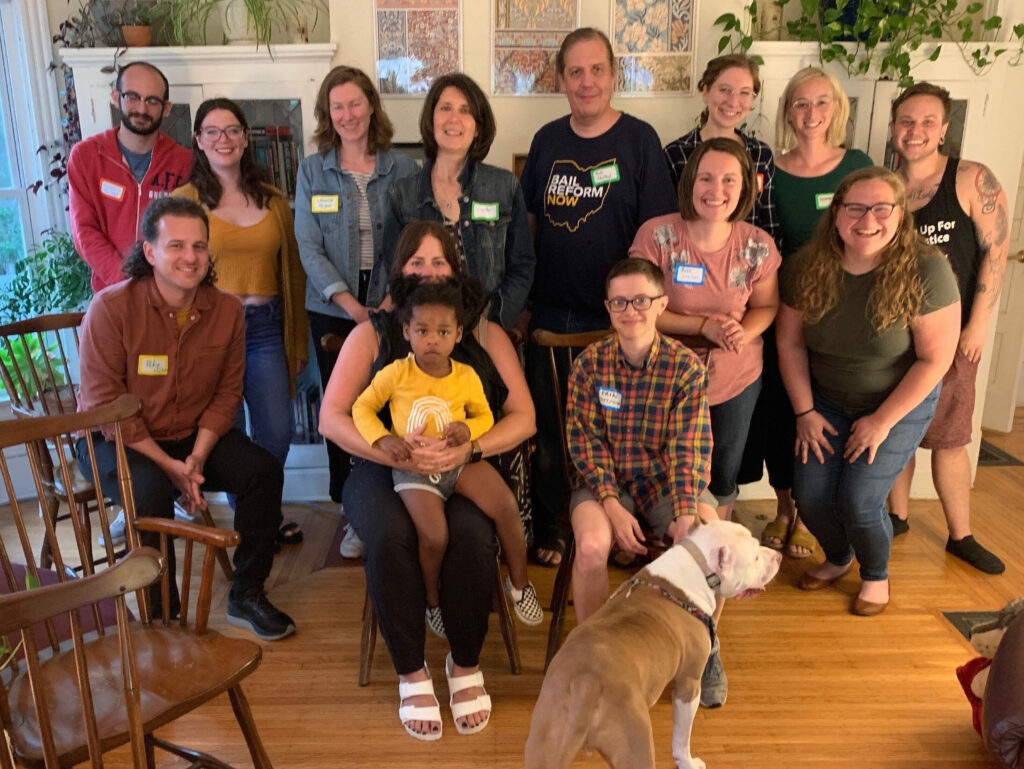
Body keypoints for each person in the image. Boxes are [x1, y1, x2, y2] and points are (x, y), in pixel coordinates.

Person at [318, 221, 536, 740]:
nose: (428, 272)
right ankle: (410, 669)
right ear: (399, 272)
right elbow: (332, 417)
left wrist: (471, 446)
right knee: (392, 536)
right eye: (417, 263)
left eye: (439, 263)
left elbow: (522, 417)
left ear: (455, 274)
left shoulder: (483, 334)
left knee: (473, 534)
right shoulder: (373, 333)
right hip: (380, 467)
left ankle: (464, 663)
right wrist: (386, 448)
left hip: (462, 463)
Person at [75, 196, 295, 640]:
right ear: (150, 252)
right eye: (176, 246)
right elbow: (106, 407)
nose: (190, 257)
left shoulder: (229, 310)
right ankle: (163, 619)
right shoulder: (111, 308)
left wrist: (194, 458)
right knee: (152, 488)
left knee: (263, 471)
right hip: (112, 440)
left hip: (190, 437)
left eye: (199, 246)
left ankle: (247, 593)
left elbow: (226, 394)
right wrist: (169, 466)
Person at [520, 27, 678, 567]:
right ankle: (554, 526)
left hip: (621, 318)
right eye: (575, 72)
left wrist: (641, 310)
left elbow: (657, 234)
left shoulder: (639, 141)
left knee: (618, 430)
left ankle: (620, 525)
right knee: (550, 428)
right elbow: (531, 226)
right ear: (560, 79)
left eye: (597, 70)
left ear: (614, 75)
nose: (586, 82)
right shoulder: (546, 141)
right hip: (551, 313)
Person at [777, 167, 960, 616]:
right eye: (855, 208)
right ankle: (839, 558)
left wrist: (881, 422)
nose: (867, 220)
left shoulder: (927, 268)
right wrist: (804, 412)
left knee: (859, 498)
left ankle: (875, 572)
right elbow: (790, 342)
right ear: (836, 212)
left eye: (881, 209)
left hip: (898, 404)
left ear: (900, 215)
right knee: (813, 495)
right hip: (825, 402)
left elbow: (935, 359)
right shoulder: (807, 265)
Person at [351, 276, 542, 636]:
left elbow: (485, 415)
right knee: (435, 536)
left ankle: (519, 584)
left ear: (457, 334)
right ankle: (432, 601)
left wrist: (467, 431)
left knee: (504, 505)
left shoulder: (467, 376)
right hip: (415, 470)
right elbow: (361, 408)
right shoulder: (396, 373)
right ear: (406, 331)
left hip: (458, 463)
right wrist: (382, 441)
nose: (432, 340)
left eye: (442, 332)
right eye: (422, 331)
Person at [739, 66, 873, 559]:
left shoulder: (856, 164)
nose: (810, 113)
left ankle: (816, 514)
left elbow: (882, 221)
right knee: (782, 413)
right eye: (800, 103)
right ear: (787, 111)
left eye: (821, 103)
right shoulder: (771, 169)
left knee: (831, 409)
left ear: (836, 109)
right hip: (786, 310)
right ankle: (783, 509)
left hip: (843, 314)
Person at [294, 66, 418, 553]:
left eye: (355, 103)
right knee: (340, 407)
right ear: (328, 112)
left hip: (394, 303)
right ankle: (351, 510)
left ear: (371, 106)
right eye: (337, 106)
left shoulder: (403, 169)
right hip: (331, 308)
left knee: (391, 401)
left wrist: (387, 302)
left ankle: (395, 500)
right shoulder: (311, 170)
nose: (347, 114)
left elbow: (411, 241)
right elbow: (308, 245)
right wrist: (351, 307)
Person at [886, 82, 1008, 575]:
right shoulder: (888, 183)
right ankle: (896, 517)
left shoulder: (969, 179)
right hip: (893, 335)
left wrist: (978, 324)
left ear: (944, 129)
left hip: (952, 336)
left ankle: (962, 534)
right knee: (894, 429)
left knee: (950, 438)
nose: (915, 131)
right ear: (894, 127)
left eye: (927, 122)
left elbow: (996, 252)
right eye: (906, 122)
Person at [174, 97, 307, 547]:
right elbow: (171, 271)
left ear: (245, 138)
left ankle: (257, 509)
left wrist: (299, 336)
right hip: (212, 334)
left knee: (276, 430)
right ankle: (255, 521)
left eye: (232, 130)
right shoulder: (185, 202)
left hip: (267, 328)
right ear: (198, 141)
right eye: (212, 131)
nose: (223, 140)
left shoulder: (273, 200)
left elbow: (293, 271)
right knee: (224, 432)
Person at [632, 137, 780, 522]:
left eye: (729, 180)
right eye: (706, 179)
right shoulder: (656, 236)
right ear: (689, 183)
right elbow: (638, 307)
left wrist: (739, 335)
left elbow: (766, 306)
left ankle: (719, 542)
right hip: (663, 373)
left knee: (723, 467)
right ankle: (666, 537)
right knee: (661, 463)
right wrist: (703, 327)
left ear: (746, 186)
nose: (717, 190)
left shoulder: (757, 246)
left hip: (735, 374)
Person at [566, 257, 711, 624]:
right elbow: (585, 441)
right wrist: (612, 505)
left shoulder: (686, 367)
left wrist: (684, 512)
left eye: (641, 300)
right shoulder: (588, 365)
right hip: (605, 483)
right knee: (591, 546)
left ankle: (701, 649)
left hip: (664, 482)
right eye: (619, 302)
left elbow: (688, 446)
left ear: (661, 303)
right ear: (609, 308)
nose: (630, 310)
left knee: (708, 544)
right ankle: (593, 650)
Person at [384, 73, 535, 331]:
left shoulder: (504, 186)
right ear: (431, 120)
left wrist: (489, 325)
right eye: (445, 108)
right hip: (425, 337)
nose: (454, 118)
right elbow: (395, 273)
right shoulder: (402, 193)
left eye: (465, 110)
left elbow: (522, 268)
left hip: (488, 334)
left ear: (478, 127)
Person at [69, 61, 192, 292]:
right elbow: (84, 231)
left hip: (170, 292)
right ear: (116, 97)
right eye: (132, 97)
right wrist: (126, 282)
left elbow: (189, 231)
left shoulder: (183, 161)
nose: (142, 109)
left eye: (152, 101)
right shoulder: (86, 157)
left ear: (166, 108)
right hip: (112, 294)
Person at [663, 53, 780, 249]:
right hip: (690, 261)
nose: (734, 102)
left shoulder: (760, 154)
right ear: (706, 91)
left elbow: (767, 221)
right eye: (725, 90)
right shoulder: (676, 154)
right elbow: (669, 222)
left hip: (747, 262)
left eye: (744, 92)